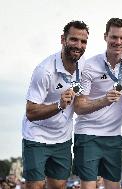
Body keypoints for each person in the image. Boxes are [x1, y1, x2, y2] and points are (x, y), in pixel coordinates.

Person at [73, 18, 122, 189]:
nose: (118, 42)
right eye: (114, 37)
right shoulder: (89, 65)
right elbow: (79, 107)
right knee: (88, 186)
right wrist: (104, 100)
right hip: (88, 134)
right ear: (105, 37)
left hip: (113, 136)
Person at [22, 20, 89, 189]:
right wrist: (59, 105)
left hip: (62, 138)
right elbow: (30, 112)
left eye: (83, 41)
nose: (78, 45)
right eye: (74, 39)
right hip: (37, 136)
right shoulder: (44, 71)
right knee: (35, 185)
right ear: (63, 39)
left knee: (58, 186)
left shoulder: (85, 66)